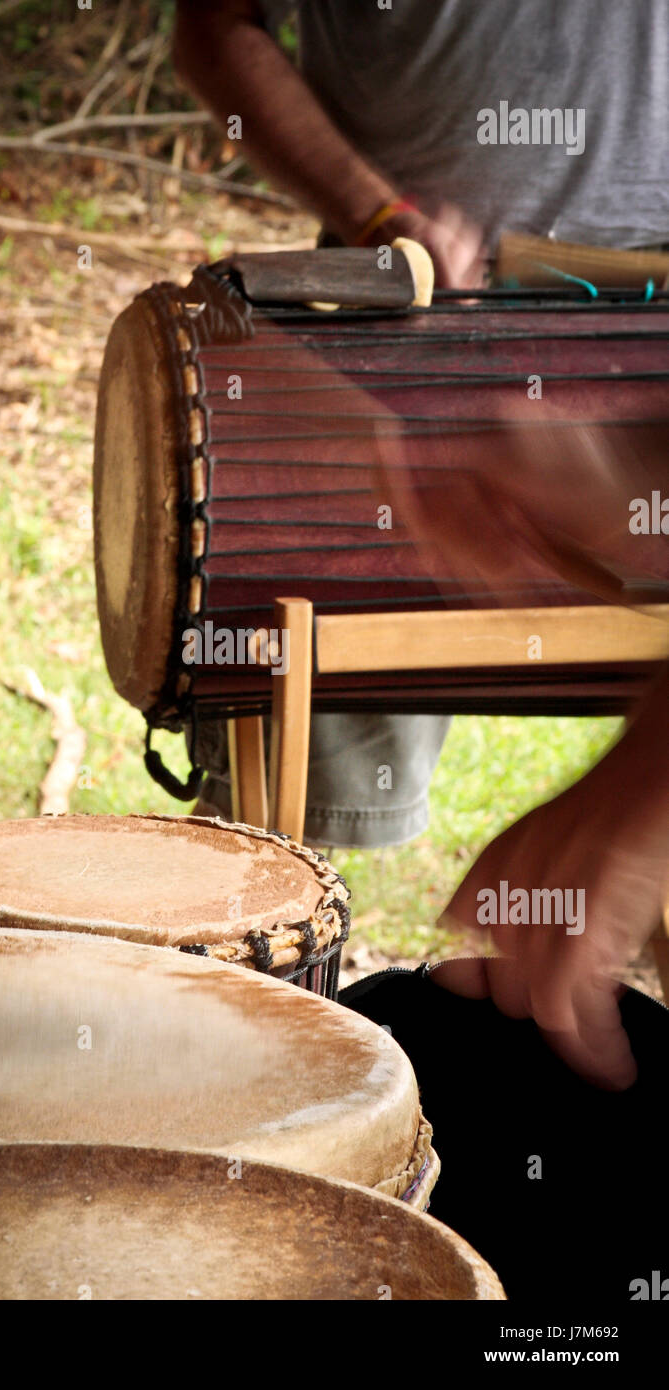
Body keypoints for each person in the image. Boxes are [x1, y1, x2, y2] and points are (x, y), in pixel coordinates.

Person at [172, 1, 669, 1084]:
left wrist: (645, 781)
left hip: (652, 320)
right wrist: (376, 214)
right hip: (387, 308)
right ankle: (253, 1092)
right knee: (278, 835)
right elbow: (216, 28)